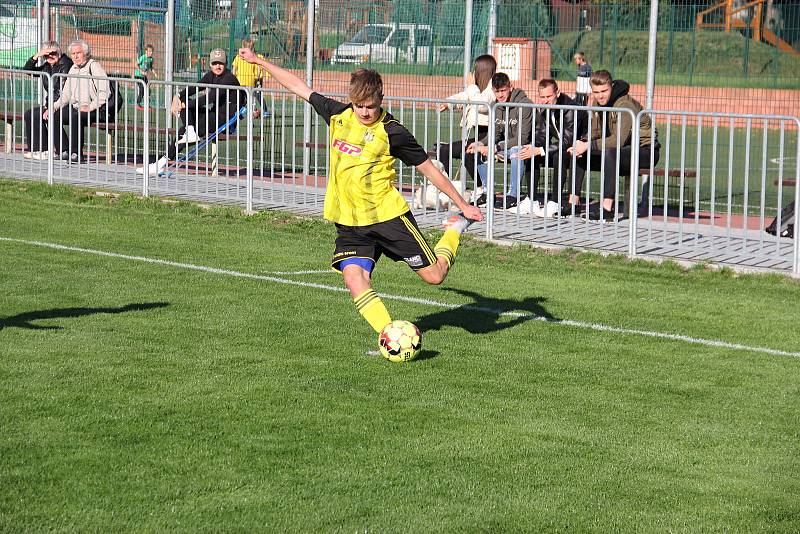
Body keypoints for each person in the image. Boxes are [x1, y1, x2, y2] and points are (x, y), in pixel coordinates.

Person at [236, 47, 484, 337]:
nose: (365, 112)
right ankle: (390, 335)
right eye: (359, 106)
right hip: (350, 222)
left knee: (435, 275)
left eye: (370, 106)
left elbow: (429, 170)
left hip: (386, 216)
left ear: (381, 99)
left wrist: (463, 206)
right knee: (354, 278)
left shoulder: (393, 132)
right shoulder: (339, 115)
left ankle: (454, 229)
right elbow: (298, 86)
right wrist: (259, 61)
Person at [567, 70, 660, 221]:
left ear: (612, 87)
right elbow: (595, 131)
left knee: (611, 152)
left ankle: (607, 208)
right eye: (596, 92)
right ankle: (573, 204)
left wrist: (589, 145)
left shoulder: (624, 105)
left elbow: (618, 141)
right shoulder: (597, 102)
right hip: (622, 151)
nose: (600, 95)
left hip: (646, 151)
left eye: (604, 91)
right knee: (579, 153)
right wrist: (582, 143)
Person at [137, 48, 244, 176]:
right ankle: (162, 161)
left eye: (221, 63)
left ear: (226, 64)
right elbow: (196, 87)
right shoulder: (211, 75)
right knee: (183, 129)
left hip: (225, 122)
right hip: (213, 116)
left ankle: (160, 163)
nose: (218, 66)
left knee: (183, 130)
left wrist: (184, 105)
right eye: (215, 63)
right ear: (210, 64)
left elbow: (209, 98)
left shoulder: (228, 78)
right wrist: (177, 96)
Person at [507, 78, 585, 216]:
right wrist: (532, 147)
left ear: (558, 93)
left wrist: (540, 150)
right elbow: (542, 135)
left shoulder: (570, 109)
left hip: (582, 147)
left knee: (557, 155)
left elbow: (567, 140)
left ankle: (555, 203)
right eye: (542, 97)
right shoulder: (544, 109)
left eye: (549, 96)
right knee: (532, 153)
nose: (545, 100)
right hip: (567, 145)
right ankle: (531, 201)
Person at [466, 72, 533, 209]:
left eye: (503, 90)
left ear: (511, 87)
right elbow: (495, 134)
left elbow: (523, 138)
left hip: (529, 146)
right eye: (497, 92)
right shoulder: (497, 106)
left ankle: (513, 196)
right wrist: (481, 143)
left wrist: (497, 147)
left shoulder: (524, 104)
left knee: (516, 151)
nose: (501, 95)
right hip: (507, 146)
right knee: (478, 151)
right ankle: (488, 193)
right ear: (493, 91)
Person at [432, 54, 496, 191]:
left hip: (489, 136)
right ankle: (445, 187)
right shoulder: (476, 88)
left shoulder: (492, 88)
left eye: (476, 69)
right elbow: (464, 96)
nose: (473, 72)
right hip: (478, 135)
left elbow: (482, 104)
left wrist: (472, 86)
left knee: (468, 153)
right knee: (444, 150)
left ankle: (481, 188)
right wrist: (447, 103)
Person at [44, 39, 111, 163]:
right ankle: (63, 151)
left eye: (78, 53)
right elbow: (66, 94)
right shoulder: (73, 69)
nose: (75, 56)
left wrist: (90, 107)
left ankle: (76, 154)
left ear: (86, 53)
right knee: (54, 115)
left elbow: (105, 92)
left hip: (96, 109)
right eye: (73, 54)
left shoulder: (94, 66)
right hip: (76, 108)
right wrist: (53, 107)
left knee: (76, 116)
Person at [21, 40, 73, 160]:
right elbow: (28, 71)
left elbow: (61, 91)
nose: (50, 57)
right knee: (30, 114)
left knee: (50, 116)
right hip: (51, 103)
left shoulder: (66, 65)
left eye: (53, 54)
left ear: (59, 52)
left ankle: (63, 150)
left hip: (65, 103)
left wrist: (51, 108)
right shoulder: (47, 66)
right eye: (46, 55)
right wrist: (36, 56)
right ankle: (40, 149)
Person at [231, 38, 270, 118]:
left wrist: (233, 77)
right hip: (251, 82)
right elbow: (258, 70)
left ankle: (248, 111)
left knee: (243, 98)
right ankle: (254, 111)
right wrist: (258, 78)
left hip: (240, 82)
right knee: (253, 98)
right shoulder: (252, 58)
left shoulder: (238, 57)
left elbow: (234, 70)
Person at [134, 44, 155, 110]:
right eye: (149, 51)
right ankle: (138, 104)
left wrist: (154, 72)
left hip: (144, 77)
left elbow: (151, 67)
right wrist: (141, 71)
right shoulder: (143, 57)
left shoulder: (151, 59)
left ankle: (147, 105)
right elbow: (136, 65)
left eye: (152, 52)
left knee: (148, 90)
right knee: (142, 89)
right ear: (146, 51)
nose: (151, 53)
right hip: (138, 76)